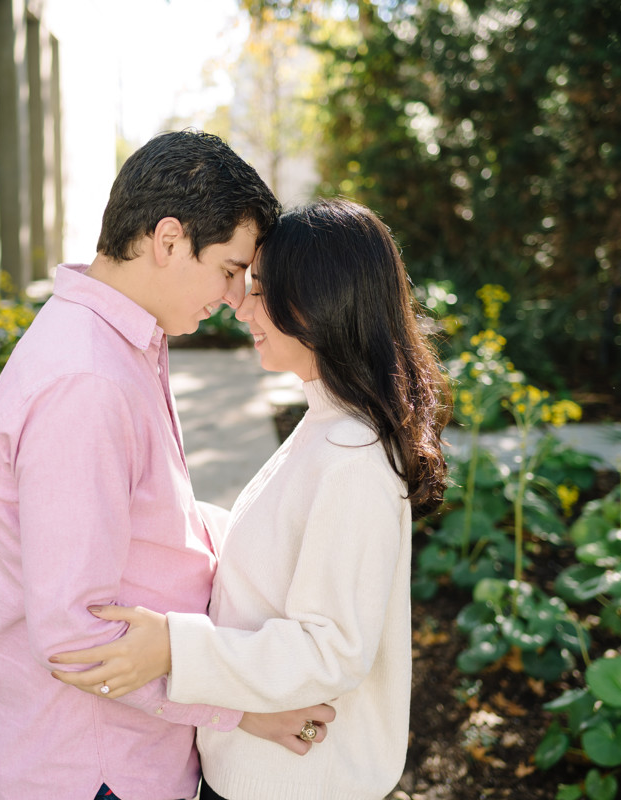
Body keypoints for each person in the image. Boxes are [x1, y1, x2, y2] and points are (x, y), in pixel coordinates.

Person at [0, 130, 334, 800]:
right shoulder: (86, 382)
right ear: (168, 240)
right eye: (229, 269)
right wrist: (243, 707)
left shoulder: (122, 339)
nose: (234, 296)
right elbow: (76, 637)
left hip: (127, 751)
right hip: (98, 767)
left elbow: (146, 526)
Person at [50, 198, 450, 800]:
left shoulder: (352, 458)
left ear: (318, 305)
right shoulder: (328, 421)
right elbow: (280, 546)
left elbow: (331, 651)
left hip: (295, 781)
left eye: (260, 291)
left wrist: (171, 649)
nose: (242, 306)